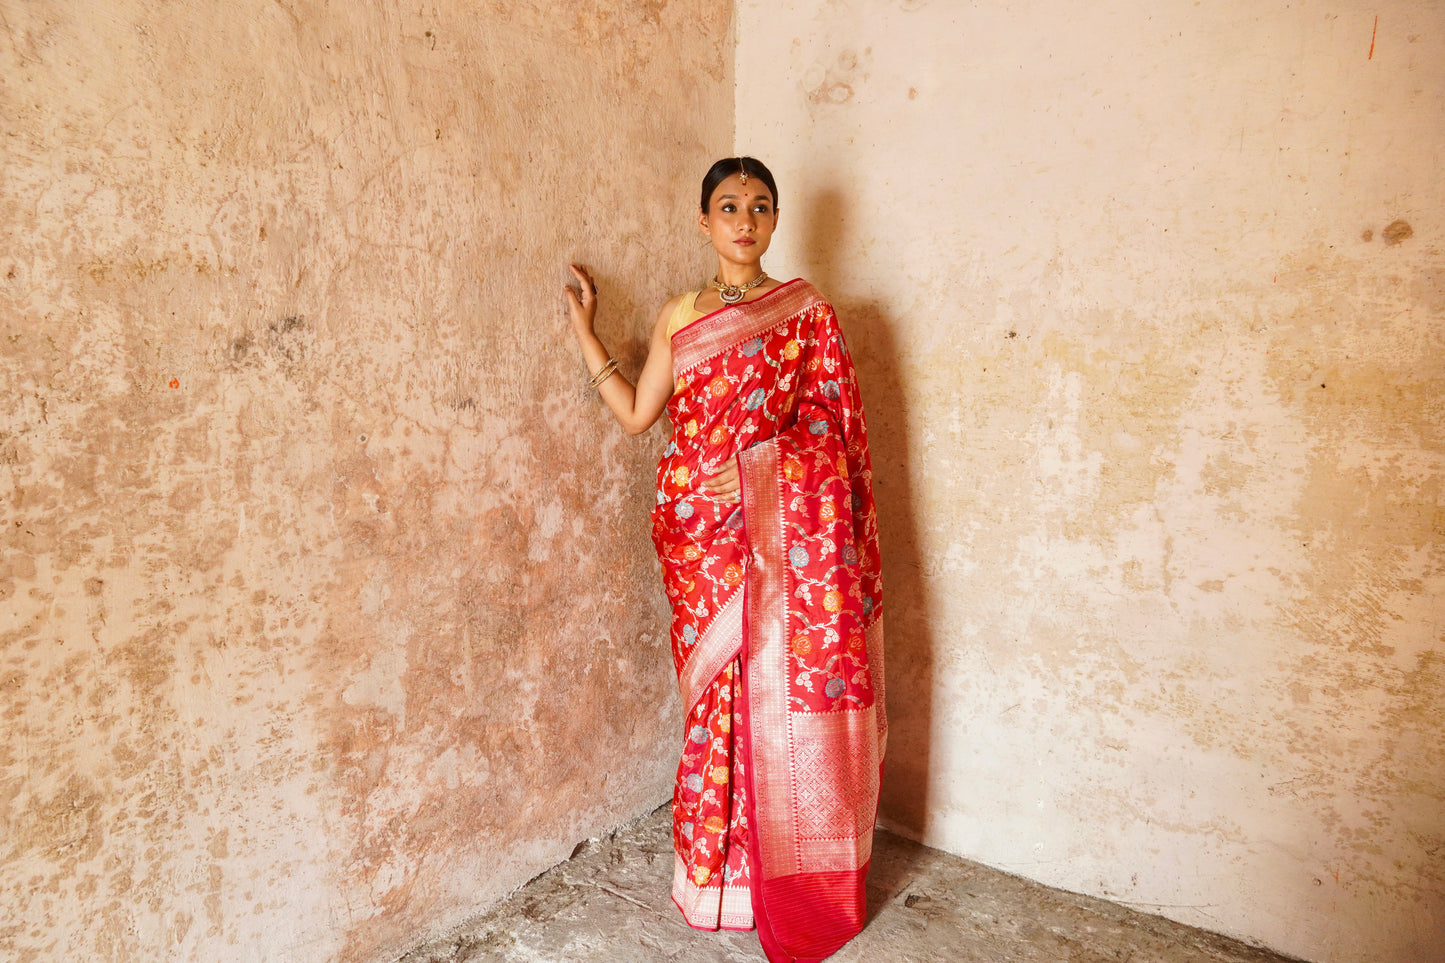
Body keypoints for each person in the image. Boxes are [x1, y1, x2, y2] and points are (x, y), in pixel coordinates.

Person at [563, 157, 886, 963]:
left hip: (774, 530)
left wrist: (753, 474)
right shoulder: (680, 313)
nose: (745, 219)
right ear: (702, 220)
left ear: (774, 222)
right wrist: (587, 337)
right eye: (729, 205)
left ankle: (768, 874)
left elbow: (831, 436)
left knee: (770, 692)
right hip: (694, 536)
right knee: (715, 700)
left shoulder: (806, 314)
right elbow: (641, 416)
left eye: (760, 206)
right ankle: (712, 873)